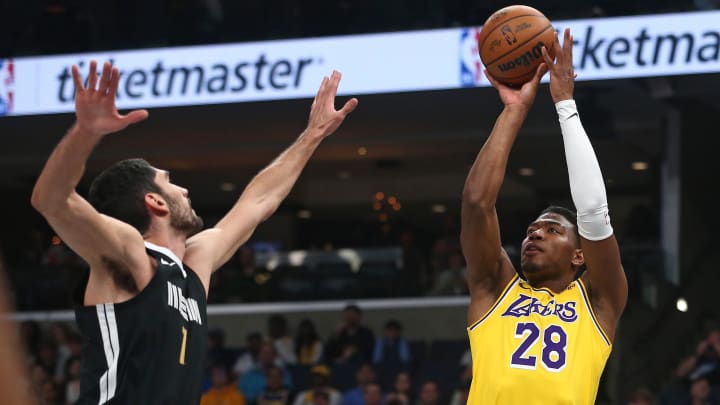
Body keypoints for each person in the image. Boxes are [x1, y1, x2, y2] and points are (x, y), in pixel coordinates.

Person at [30, 60, 358, 405]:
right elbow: (52, 200)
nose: (185, 190)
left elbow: (260, 201)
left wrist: (314, 134)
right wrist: (86, 133)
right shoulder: (130, 254)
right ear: (155, 201)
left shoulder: (194, 263)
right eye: (171, 182)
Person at [460, 28, 627, 404]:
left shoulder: (599, 301)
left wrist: (565, 104)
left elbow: (594, 215)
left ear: (579, 254)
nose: (534, 234)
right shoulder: (495, 289)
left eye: (552, 230)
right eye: (533, 229)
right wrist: (514, 110)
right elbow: (476, 203)